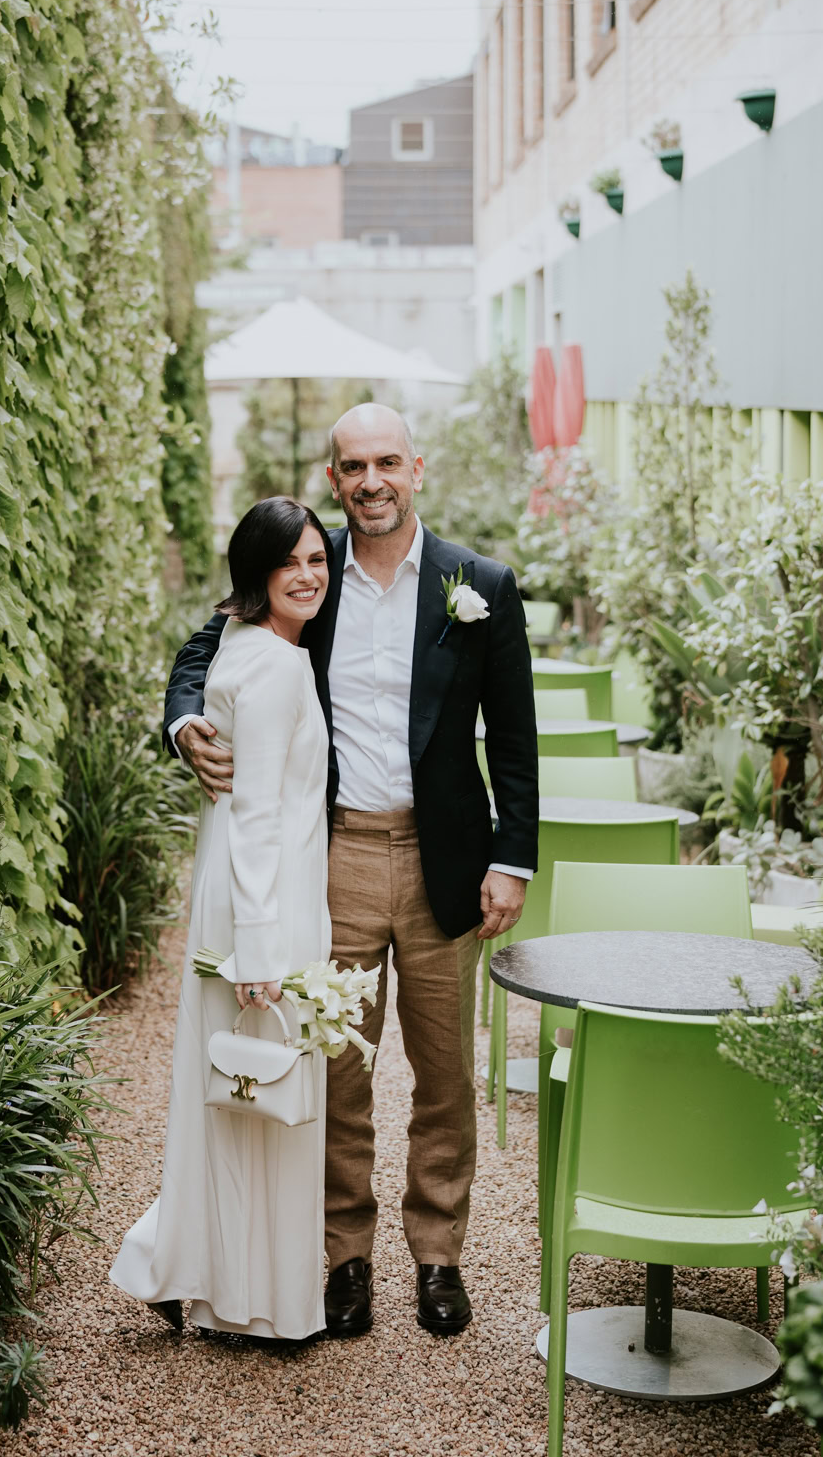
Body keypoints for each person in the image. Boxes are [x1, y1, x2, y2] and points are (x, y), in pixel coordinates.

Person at [166, 404, 538, 1338]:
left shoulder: (479, 584)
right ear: (334, 478)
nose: (370, 480)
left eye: (387, 463)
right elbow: (206, 648)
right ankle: (345, 1257)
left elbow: (519, 739)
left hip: (446, 860)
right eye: (352, 467)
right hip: (337, 857)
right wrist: (184, 726)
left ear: (417, 469)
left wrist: (513, 859)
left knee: (446, 1075)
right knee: (336, 1070)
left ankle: (439, 1255)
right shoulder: (306, 572)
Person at [110, 497, 333, 1341]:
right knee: (260, 1101)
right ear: (257, 575)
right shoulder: (277, 667)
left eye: (318, 558)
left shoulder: (248, 644)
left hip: (240, 896)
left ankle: (195, 1274)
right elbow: (258, 817)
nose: (310, 575)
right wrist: (262, 948)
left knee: (231, 1101)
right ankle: (259, 1303)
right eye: (291, 563)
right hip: (260, 903)